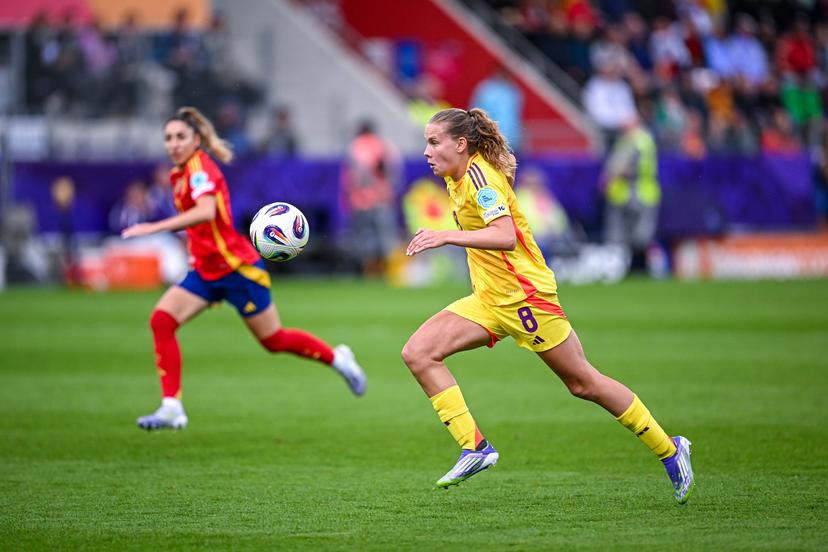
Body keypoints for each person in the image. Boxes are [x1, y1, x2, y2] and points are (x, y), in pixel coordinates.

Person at [401, 108, 694, 504]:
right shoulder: (457, 178)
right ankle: (475, 448)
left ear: (460, 144)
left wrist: (446, 236)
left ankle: (671, 449)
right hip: (490, 299)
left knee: (583, 383)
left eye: (433, 142)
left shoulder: (479, 179)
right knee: (418, 352)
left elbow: (505, 236)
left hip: (527, 299)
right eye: (426, 142)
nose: (426, 151)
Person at [122, 107, 366, 430]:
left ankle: (338, 359)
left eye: (181, 137)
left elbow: (207, 212)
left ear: (197, 140)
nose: (174, 144)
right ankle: (171, 407)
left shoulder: (200, 170)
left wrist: (153, 227)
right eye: (168, 138)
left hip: (237, 269)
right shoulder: (178, 174)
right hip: (207, 271)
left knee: (273, 340)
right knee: (162, 320)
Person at [601, 116, 661, 273]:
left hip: (638, 193)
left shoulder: (638, 141)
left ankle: (639, 267)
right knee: (632, 237)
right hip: (631, 194)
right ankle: (635, 267)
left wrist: (610, 177)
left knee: (638, 236)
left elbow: (629, 168)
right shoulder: (633, 140)